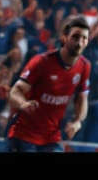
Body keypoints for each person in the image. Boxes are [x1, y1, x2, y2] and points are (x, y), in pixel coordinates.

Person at [5, 15, 92, 152]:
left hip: (51, 139)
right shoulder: (42, 62)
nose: (80, 43)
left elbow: (82, 99)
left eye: (84, 38)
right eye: (76, 37)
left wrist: (78, 121)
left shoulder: (85, 66)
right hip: (23, 135)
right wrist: (23, 104)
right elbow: (14, 92)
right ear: (64, 37)